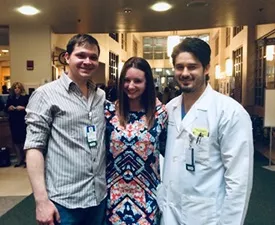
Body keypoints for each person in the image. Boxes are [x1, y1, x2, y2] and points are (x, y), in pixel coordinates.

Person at [157, 38, 253, 225]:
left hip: (207, 216)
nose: (185, 73)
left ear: (206, 68)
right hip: (169, 212)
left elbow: (239, 182)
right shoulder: (169, 109)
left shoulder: (229, 112)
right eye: (179, 67)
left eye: (192, 67)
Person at [24, 34, 106, 225]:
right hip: (64, 202)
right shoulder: (46, 95)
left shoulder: (100, 96)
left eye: (93, 57)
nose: (87, 61)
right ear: (67, 57)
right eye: (81, 55)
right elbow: (34, 148)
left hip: (98, 198)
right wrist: (41, 201)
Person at [105, 57, 168, 225]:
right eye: (126, 80)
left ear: (147, 83)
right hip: (113, 197)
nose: (131, 86)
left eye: (137, 81)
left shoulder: (160, 113)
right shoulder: (109, 112)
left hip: (147, 198)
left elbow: (169, 151)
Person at [5, 82, 28, 167]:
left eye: (18, 88)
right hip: (14, 122)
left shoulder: (25, 97)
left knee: (24, 141)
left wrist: (23, 108)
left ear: (21, 89)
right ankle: (19, 159)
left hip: (22, 122)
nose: (16, 89)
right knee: (16, 142)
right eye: (15, 88)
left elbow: (30, 108)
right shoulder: (10, 98)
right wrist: (9, 108)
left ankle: (26, 160)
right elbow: (6, 109)